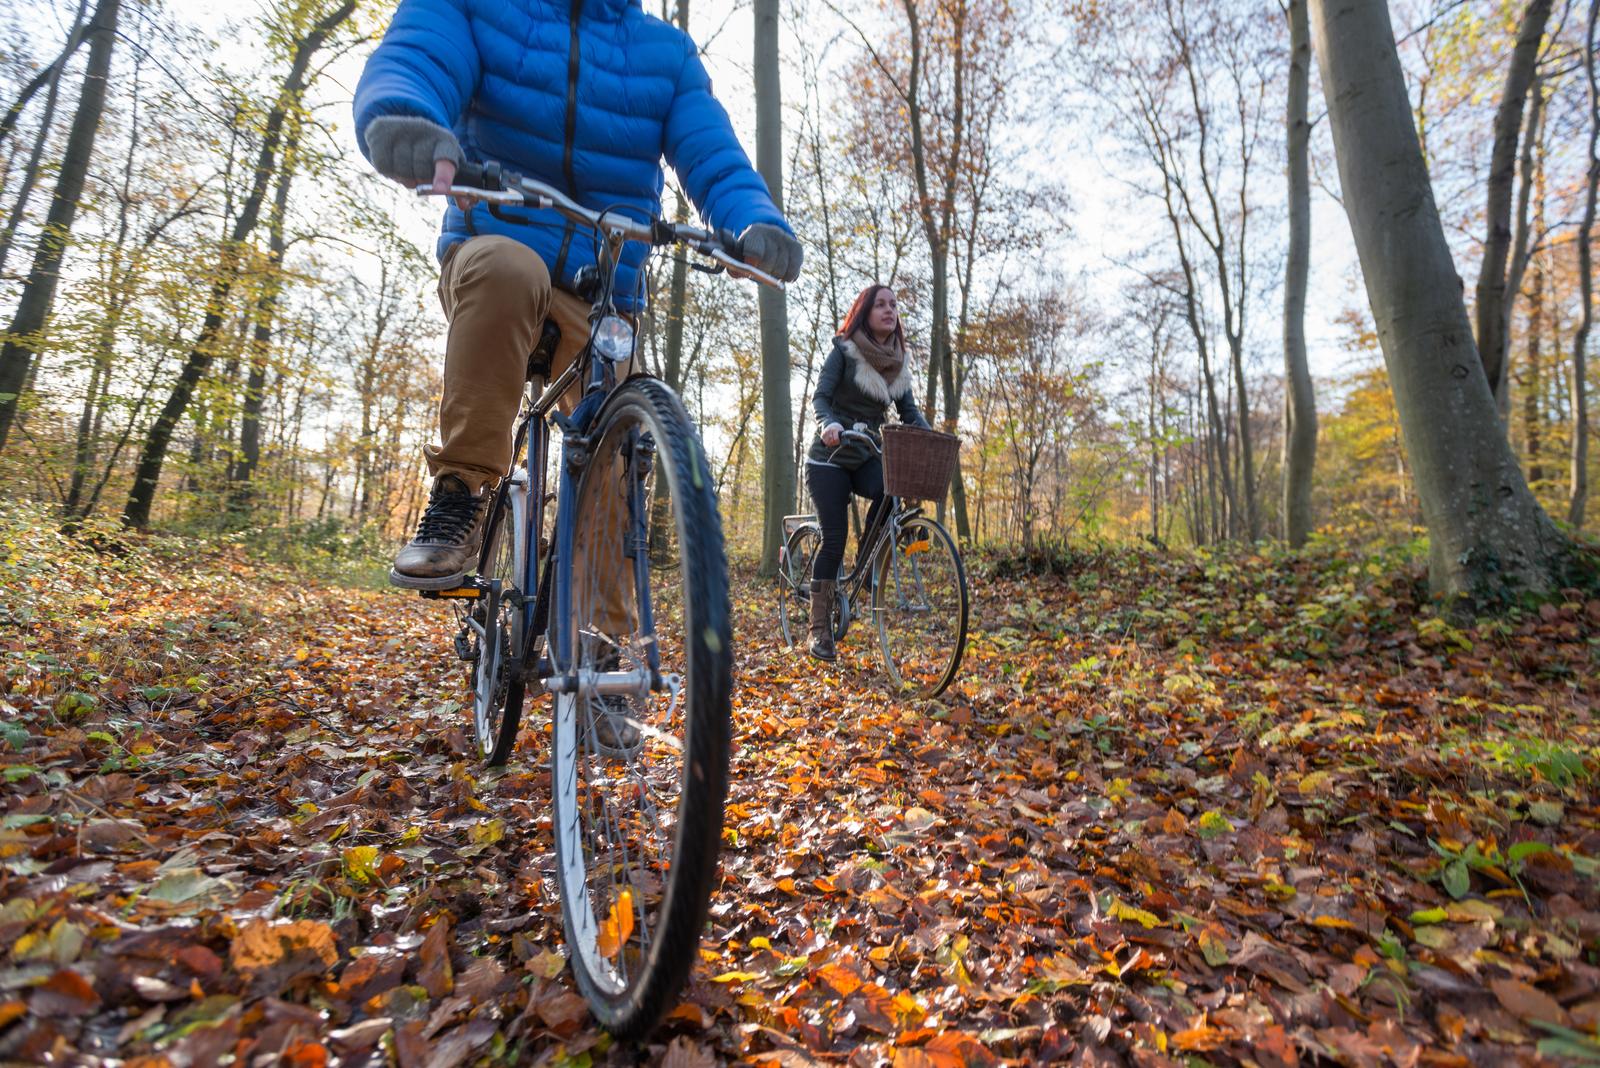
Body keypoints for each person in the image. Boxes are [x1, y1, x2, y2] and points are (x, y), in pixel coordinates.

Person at [352, 0, 803, 589]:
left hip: (602, 294)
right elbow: (420, 56)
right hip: (496, 244)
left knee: (621, 440)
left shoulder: (663, 53)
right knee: (510, 270)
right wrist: (405, 116)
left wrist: (751, 222)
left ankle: (604, 643)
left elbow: (712, 152)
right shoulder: (481, 8)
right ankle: (461, 491)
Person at [804, 284, 930, 661]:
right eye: (881, 305)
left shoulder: (897, 361)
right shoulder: (845, 349)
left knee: (891, 492)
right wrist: (828, 422)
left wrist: (930, 436)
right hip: (830, 454)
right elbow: (821, 397)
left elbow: (909, 412)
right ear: (865, 311)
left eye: (893, 305)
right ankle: (818, 628)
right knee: (834, 537)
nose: (889, 311)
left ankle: (864, 566)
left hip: (864, 452)